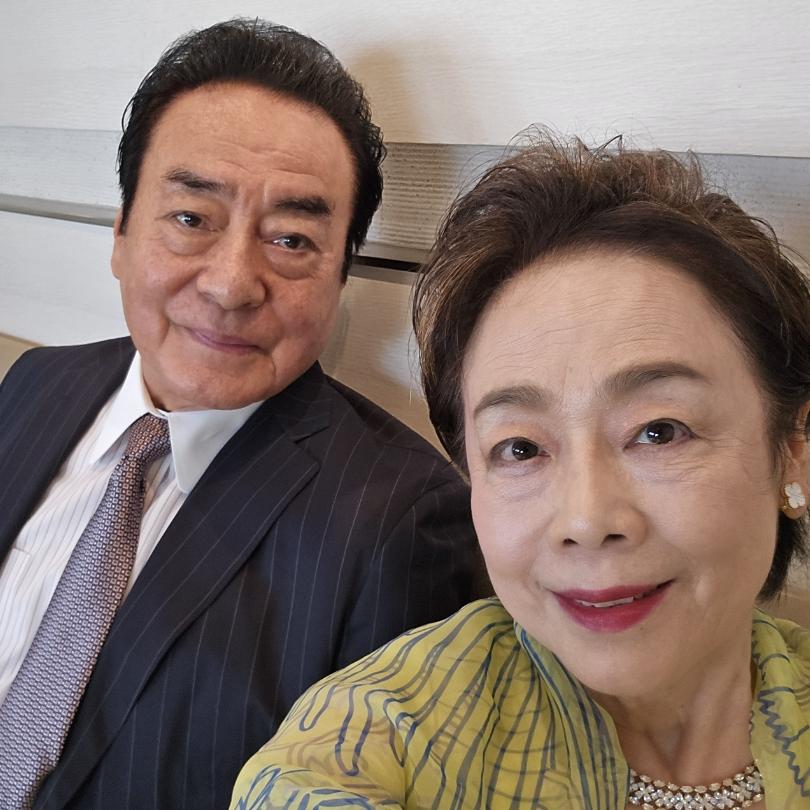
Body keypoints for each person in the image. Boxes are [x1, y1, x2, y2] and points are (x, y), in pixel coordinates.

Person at [231, 135, 810, 809]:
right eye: (520, 449)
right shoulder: (384, 735)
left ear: (792, 449)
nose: (587, 519)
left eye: (659, 431)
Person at [0, 19, 484, 810]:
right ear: (121, 232)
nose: (231, 284)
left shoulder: (403, 527)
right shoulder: (35, 382)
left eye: (291, 240)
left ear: (341, 275)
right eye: (192, 218)